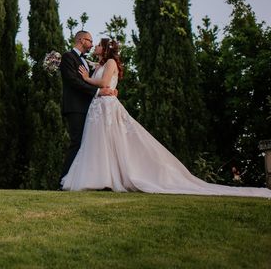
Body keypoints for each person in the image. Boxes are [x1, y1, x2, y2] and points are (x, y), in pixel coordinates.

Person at [60, 38, 271, 198]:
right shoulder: (96, 64)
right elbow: (89, 77)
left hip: (106, 107)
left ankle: (116, 177)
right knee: (97, 144)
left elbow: (105, 84)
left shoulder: (110, 64)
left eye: (98, 44)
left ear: (105, 49)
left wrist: (88, 79)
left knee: (114, 142)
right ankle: (98, 177)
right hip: (96, 108)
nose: (94, 45)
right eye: (92, 42)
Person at [59, 31, 116, 185]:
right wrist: (98, 91)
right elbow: (73, 81)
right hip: (76, 107)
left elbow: (97, 80)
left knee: (90, 144)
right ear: (81, 40)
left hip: (92, 109)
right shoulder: (68, 57)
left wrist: (110, 88)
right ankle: (64, 181)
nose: (92, 45)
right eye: (90, 41)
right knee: (77, 143)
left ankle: (90, 180)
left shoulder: (89, 62)